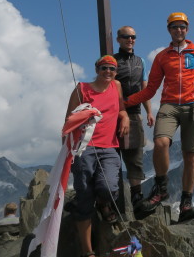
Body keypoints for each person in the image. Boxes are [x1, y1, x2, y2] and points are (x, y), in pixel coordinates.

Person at [125, 12, 194, 222]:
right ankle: (161, 189)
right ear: (169, 30)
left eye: (182, 27)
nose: (178, 30)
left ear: (187, 29)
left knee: (191, 155)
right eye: (174, 27)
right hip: (169, 105)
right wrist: (124, 103)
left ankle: (186, 202)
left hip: (193, 105)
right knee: (161, 142)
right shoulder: (162, 56)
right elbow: (150, 89)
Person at [65, 55, 129, 257]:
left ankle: (103, 203)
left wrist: (125, 116)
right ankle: (88, 251)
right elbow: (68, 120)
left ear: (115, 71)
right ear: (97, 69)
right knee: (84, 196)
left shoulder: (116, 85)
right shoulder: (81, 89)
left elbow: (121, 108)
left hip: (109, 147)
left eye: (111, 68)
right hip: (85, 148)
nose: (108, 72)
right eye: (104, 68)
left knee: (109, 188)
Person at [113, 26, 154, 212]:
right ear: (118, 39)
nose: (130, 39)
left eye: (133, 37)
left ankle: (137, 197)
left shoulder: (141, 61)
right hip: (113, 113)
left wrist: (149, 112)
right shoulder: (112, 60)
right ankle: (111, 199)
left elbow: (144, 87)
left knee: (135, 157)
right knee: (113, 157)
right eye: (126, 37)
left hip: (135, 111)